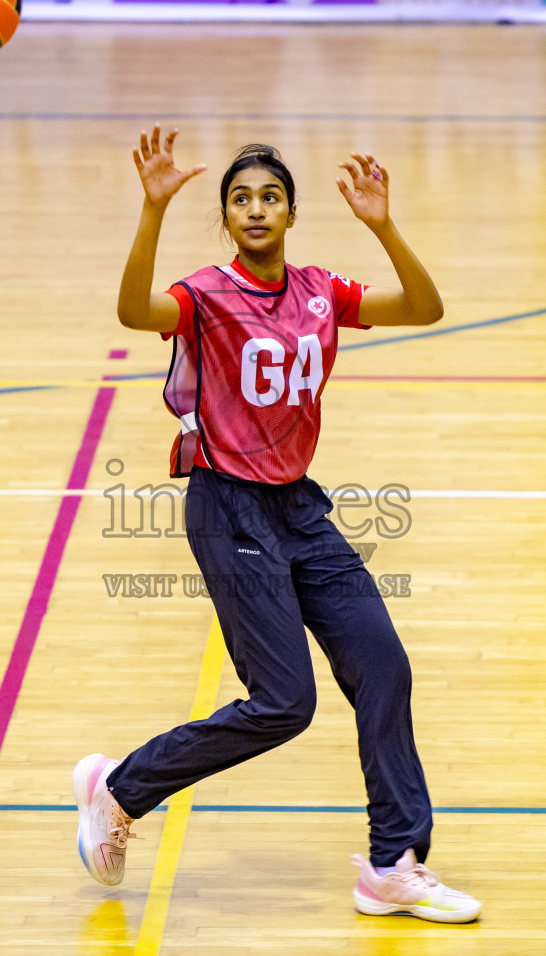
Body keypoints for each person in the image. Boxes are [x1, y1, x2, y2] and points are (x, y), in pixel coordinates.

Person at [73, 125, 480, 922]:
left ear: (291, 213)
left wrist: (382, 225)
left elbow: (425, 308)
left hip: (298, 507)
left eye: (269, 198)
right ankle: (120, 792)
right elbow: (131, 311)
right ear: (226, 218)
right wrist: (152, 211)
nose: (255, 209)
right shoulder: (206, 295)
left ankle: (393, 866)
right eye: (239, 199)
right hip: (228, 507)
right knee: (284, 703)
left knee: (383, 667)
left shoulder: (322, 290)